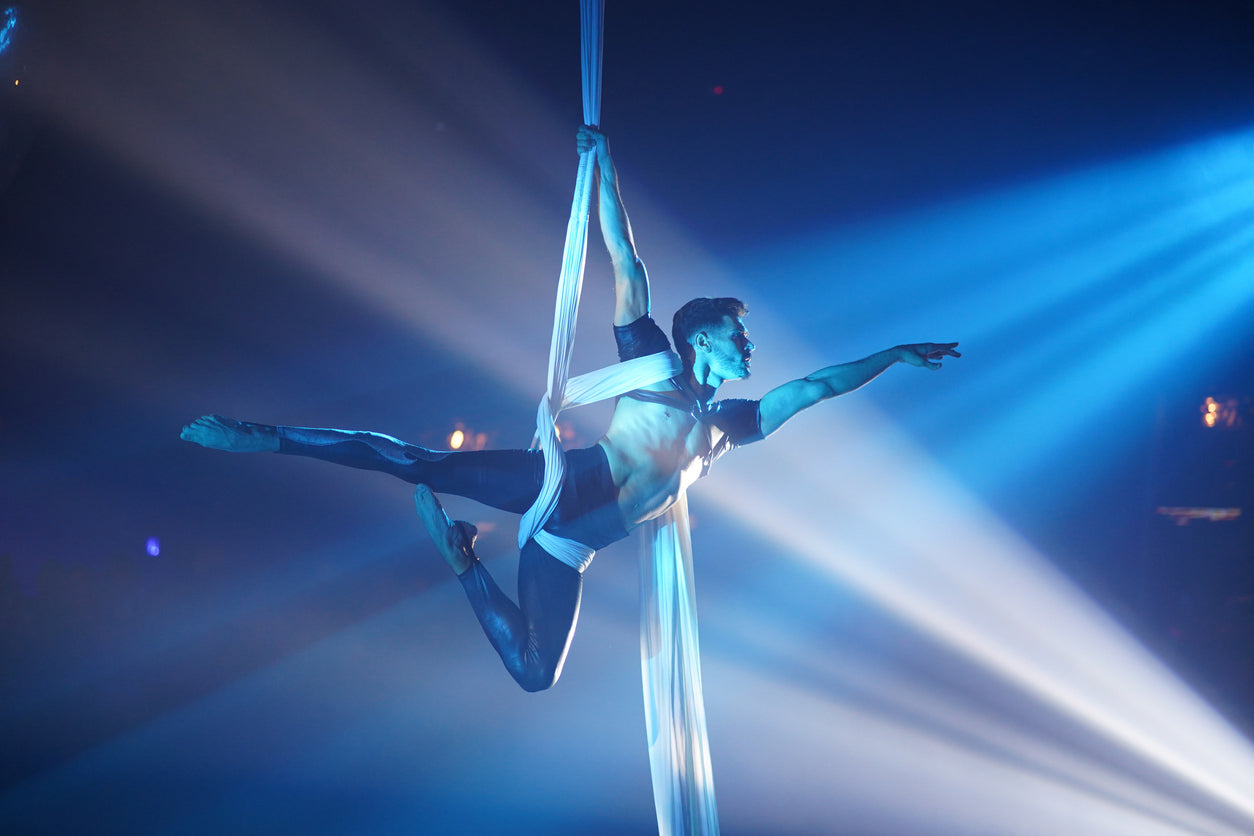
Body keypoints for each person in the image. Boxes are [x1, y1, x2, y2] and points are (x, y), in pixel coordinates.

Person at [182, 125, 960, 692]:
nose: (750, 349)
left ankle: (461, 560)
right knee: (418, 461)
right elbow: (626, 257)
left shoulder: (730, 426)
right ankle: (263, 435)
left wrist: (892, 356)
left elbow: (818, 387)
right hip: (559, 486)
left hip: (567, 547)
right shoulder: (651, 360)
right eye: (738, 335)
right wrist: (603, 170)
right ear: (702, 337)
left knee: (533, 675)